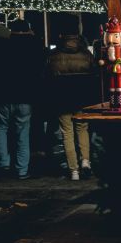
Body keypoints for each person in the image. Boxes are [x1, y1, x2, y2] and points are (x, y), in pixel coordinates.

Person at [0, 20, 44, 180]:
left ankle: (4, 164)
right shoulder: (35, 47)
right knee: (23, 133)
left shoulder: (1, 47)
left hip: (3, 95)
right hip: (25, 96)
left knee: (0, 128)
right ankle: (22, 170)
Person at [45, 30, 100, 181]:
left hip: (61, 99)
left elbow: (47, 77)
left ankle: (73, 171)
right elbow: (94, 75)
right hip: (82, 97)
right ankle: (86, 162)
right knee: (82, 129)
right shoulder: (85, 54)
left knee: (67, 133)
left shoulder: (54, 55)